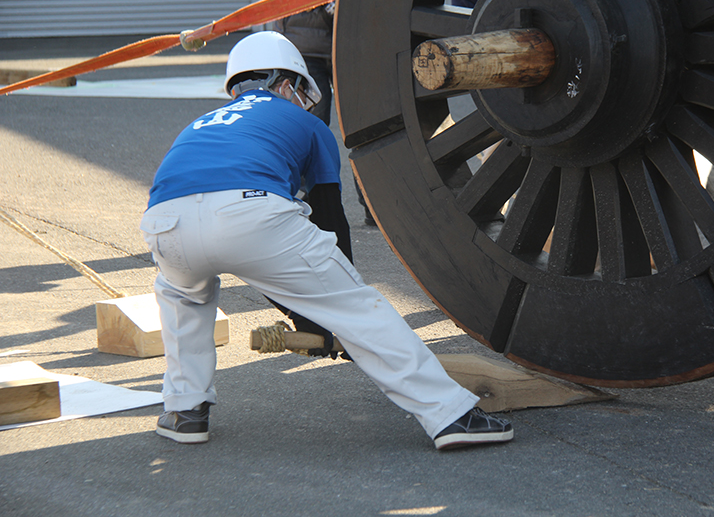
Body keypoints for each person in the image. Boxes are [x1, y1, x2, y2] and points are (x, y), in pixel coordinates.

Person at [140, 31, 513, 450]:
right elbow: (329, 220)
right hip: (249, 211)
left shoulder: (201, 123)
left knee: (183, 299)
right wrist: (332, 317)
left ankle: (184, 411)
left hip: (166, 222)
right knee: (356, 306)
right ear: (286, 85)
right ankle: (450, 416)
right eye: (303, 92)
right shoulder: (305, 123)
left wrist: (309, 322)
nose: (306, 103)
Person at [263, 0, 376, 226]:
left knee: (364, 123)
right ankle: (308, 201)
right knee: (308, 127)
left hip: (350, 38)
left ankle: (375, 204)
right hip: (304, 44)